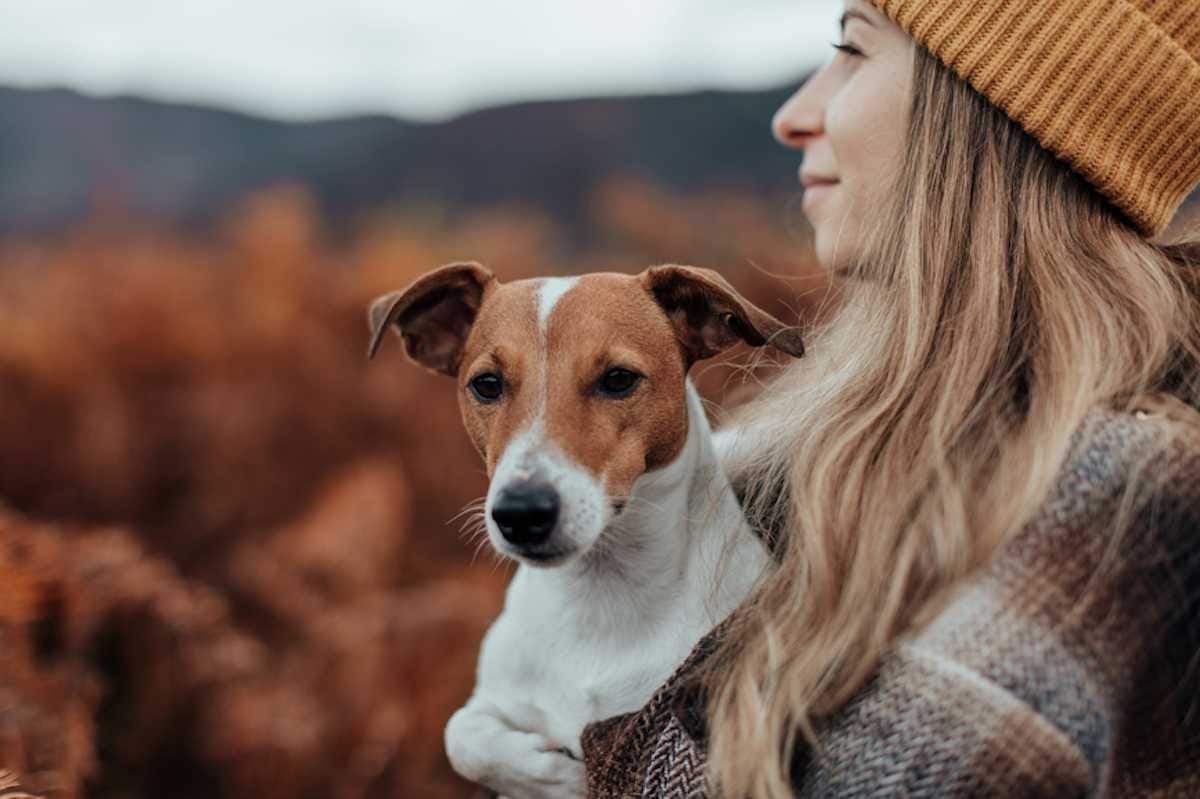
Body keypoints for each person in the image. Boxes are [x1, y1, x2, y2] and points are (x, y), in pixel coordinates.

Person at [582, 0, 1200, 797]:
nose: (794, 115)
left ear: (985, 108)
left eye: (854, 49)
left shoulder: (1114, 506)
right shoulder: (857, 467)